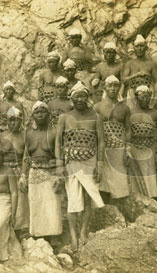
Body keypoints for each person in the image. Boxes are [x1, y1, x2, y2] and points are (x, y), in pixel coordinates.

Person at [55, 81, 105, 251]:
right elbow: (58, 142)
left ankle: (83, 231)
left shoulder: (96, 117)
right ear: (72, 98)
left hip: (90, 162)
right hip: (71, 162)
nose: (80, 99)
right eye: (77, 96)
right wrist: (59, 164)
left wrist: (100, 164)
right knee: (73, 200)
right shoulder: (64, 117)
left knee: (88, 198)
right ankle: (73, 236)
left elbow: (101, 142)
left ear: (87, 97)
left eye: (83, 96)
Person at [19, 101, 62, 239]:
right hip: (34, 172)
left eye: (43, 111)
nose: (40, 114)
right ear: (33, 115)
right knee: (36, 203)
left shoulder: (54, 132)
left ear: (48, 114)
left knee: (52, 205)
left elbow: (59, 156)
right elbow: (26, 155)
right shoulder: (29, 133)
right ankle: (38, 235)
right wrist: (23, 176)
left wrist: (59, 175)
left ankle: (54, 236)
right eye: (37, 112)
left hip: (51, 172)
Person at [126, 85, 157, 198]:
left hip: (150, 149)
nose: (144, 100)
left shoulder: (156, 113)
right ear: (136, 98)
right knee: (134, 179)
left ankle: (151, 203)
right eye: (142, 97)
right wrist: (126, 148)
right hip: (134, 149)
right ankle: (136, 202)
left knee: (149, 178)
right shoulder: (130, 112)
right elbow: (126, 132)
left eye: (147, 97)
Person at [94, 75, 130, 202]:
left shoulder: (124, 108)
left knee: (119, 183)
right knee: (103, 184)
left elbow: (128, 129)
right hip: (103, 149)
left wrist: (128, 149)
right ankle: (105, 214)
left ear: (119, 87)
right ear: (105, 87)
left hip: (119, 149)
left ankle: (118, 214)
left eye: (116, 86)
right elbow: (93, 130)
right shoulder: (98, 107)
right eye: (110, 86)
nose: (113, 89)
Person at [0, 107, 29, 235]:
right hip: (3, 171)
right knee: (4, 198)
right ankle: (2, 226)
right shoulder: (0, 136)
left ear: (21, 121)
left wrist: (24, 175)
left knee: (21, 200)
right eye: (10, 120)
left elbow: (26, 157)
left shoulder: (25, 136)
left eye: (16, 120)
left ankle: (20, 230)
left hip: (19, 170)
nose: (13, 123)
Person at [123, 34, 157, 108]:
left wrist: (155, 96)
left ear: (146, 47)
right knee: (132, 114)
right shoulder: (129, 63)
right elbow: (123, 80)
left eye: (141, 46)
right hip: (132, 92)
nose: (139, 48)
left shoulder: (151, 64)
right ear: (134, 48)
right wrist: (135, 75)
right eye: (137, 46)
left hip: (148, 93)